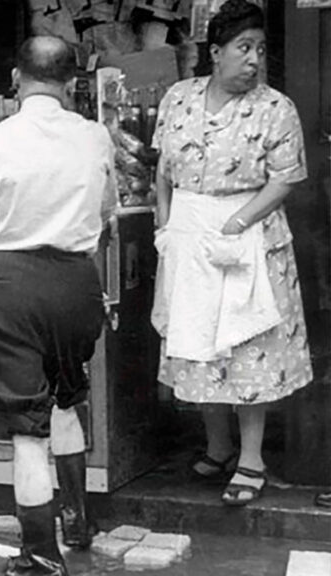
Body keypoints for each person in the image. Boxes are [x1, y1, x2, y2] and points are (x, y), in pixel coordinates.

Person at [0, 36, 116, 576]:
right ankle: (77, 518)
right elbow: (107, 215)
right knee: (65, 398)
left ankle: (40, 556)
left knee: (28, 428)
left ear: (16, 80)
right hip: (74, 283)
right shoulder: (96, 139)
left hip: (8, 288)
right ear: (72, 83)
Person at [151, 0, 312, 507]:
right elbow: (163, 169)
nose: (254, 60)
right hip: (191, 233)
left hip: (250, 234)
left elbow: (286, 177)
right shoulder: (179, 98)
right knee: (201, 343)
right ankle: (217, 446)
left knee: (246, 346)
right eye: (244, 48)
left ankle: (251, 458)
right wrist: (164, 222)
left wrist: (238, 221)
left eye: (260, 50)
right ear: (215, 52)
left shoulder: (275, 107)